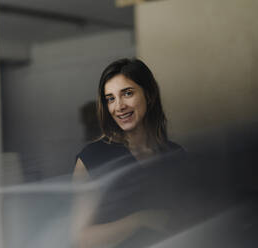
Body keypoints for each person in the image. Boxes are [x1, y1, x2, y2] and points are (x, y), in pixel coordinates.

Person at [72, 58, 185, 248]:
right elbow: (81, 239)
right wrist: (139, 220)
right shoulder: (92, 158)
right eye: (111, 99)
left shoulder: (176, 154)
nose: (119, 106)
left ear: (149, 95)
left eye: (127, 93)